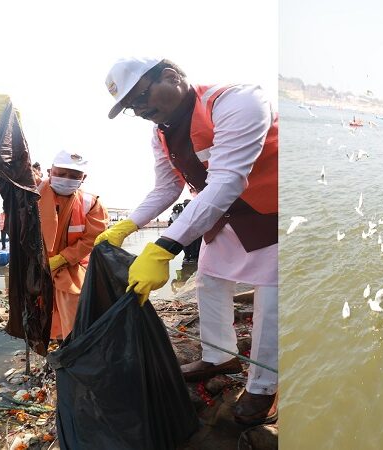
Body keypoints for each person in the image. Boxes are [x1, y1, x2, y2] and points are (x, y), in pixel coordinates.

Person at [95, 57, 278, 425]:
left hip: (272, 212)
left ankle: (263, 387)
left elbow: (227, 179)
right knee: (209, 283)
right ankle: (219, 355)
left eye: (141, 96)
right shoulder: (160, 131)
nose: (141, 108)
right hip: (224, 219)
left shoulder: (236, 103)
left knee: (270, 304)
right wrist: (126, 226)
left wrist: (164, 247)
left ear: (171, 76)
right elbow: (168, 187)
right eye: (132, 106)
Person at [38, 150, 109, 340]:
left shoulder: (91, 203)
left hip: (72, 266)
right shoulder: (31, 193)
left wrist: (62, 259)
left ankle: (71, 347)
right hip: (36, 266)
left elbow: (92, 238)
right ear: (49, 171)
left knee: (75, 311)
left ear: (83, 178)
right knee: (39, 312)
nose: (66, 179)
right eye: (61, 174)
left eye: (74, 176)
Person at [181, 199, 202, 265]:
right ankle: (193, 257)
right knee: (195, 245)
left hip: (186, 233)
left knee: (186, 245)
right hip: (195, 232)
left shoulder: (181, 213)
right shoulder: (196, 212)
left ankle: (187, 257)